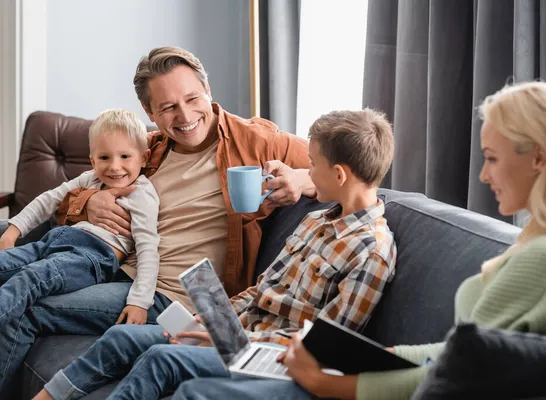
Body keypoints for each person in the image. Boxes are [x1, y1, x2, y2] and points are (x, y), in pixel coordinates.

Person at [168, 81, 546, 400]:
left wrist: (329, 384)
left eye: (491, 158)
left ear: (539, 158)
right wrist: (390, 354)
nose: (484, 175)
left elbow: (457, 373)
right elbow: (460, 352)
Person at [0, 46, 314, 395]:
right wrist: (90, 202)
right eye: (167, 107)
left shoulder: (256, 141)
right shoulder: (151, 150)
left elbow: (344, 169)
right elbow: (72, 192)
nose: (184, 115)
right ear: (149, 112)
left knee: (26, 307)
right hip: (122, 270)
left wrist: (301, 180)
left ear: (208, 91)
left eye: (193, 98)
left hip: (178, 296)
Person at [35, 108, 398, 400]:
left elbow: (325, 344)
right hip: (237, 335)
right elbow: (261, 291)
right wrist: (210, 322)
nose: (305, 171)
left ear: (337, 174)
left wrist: (230, 339)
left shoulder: (371, 251)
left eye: (312, 164)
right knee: (122, 336)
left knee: (163, 359)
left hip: (273, 357)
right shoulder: (317, 220)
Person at [0, 108, 160, 328]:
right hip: (54, 241)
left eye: (125, 156)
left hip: (90, 257)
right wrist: (12, 232)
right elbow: (49, 199)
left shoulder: (142, 194)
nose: (114, 166)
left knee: (32, 277)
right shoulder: (90, 179)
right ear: (93, 161)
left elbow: (148, 248)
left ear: (144, 158)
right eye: (104, 157)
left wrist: (140, 302)